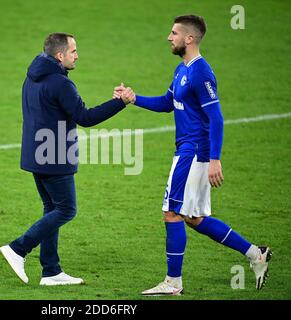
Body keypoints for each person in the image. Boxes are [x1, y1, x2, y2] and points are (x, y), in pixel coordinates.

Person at [114, 15, 272, 295]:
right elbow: (167, 103)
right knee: (193, 217)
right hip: (187, 152)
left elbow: (217, 118)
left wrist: (214, 159)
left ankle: (173, 282)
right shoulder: (181, 69)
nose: (169, 37)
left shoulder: (201, 72)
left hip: (194, 153)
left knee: (172, 213)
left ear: (189, 38)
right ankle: (256, 255)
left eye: (174, 33)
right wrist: (134, 99)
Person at [0, 33, 135, 286]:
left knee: (52, 208)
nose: (77, 55)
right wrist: (120, 102)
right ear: (60, 55)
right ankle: (18, 248)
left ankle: (51, 271)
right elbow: (85, 117)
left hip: (35, 154)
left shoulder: (32, 76)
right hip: (54, 156)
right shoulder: (61, 84)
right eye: (73, 51)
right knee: (66, 209)